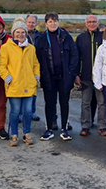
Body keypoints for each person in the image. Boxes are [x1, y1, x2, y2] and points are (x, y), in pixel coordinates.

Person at [35, 12, 78, 141]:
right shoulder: (41, 39)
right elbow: (37, 58)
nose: (52, 24)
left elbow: (74, 56)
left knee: (64, 103)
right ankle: (49, 129)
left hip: (64, 76)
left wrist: (71, 73)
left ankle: (64, 129)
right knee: (49, 103)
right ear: (46, 24)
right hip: (48, 77)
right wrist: (41, 74)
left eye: (55, 21)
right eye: (50, 21)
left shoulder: (66, 37)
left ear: (58, 22)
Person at [0, 17, 40, 146]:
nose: (20, 35)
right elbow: (1, 65)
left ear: (26, 33)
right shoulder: (6, 47)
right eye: (17, 32)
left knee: (28, 111)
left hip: (28, 85)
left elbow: (35, 64)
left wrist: (36, 76)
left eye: (22, 32)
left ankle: (27, 133)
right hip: (14, 85)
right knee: (15, 111)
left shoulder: (31, 48)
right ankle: (14, 134)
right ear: (13, 33)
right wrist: (7, 77)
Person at [75, 15, 106, 137]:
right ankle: (85, 125)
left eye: (94, 22)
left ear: (98, 23)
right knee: (85, 102)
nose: (92, 24)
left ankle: (103, 125)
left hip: (102, 77)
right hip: (85, 76)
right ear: (86, 23)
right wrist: (76, 74)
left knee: (102, 103)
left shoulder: (104, 37)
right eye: (89, 22)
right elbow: (76, 58)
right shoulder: (80, 38)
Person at [24, 15, 42, 121]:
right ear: (25, 22)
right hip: (24, 66)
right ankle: (22, 113)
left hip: (35, 65)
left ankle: (32, 111)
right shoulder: (21, 34)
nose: (31, 24)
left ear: (36, 24)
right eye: (29, 22)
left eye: (33, 22)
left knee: (34, 90)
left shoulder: (40, 36)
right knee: (22, 90)